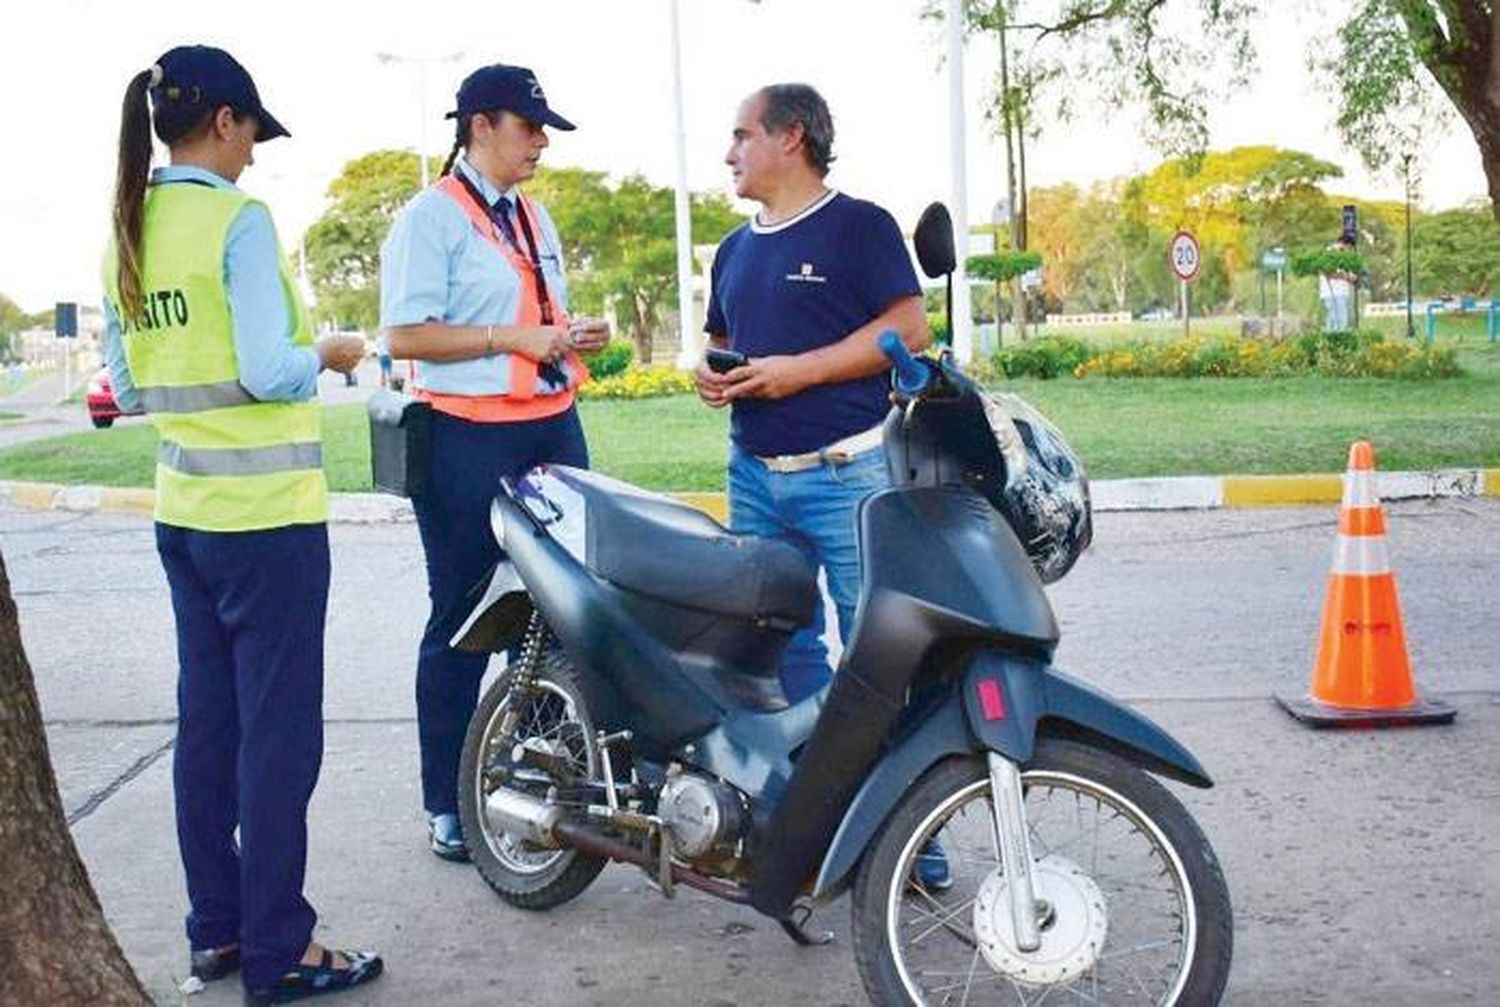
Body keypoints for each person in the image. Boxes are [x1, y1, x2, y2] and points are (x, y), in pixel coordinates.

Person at [100, 46, 383, 1004]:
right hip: (267, 525)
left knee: (208, 732)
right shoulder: (239, 222)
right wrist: (333, 352)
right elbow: (272, 367)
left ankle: (216, 932)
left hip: (184, 518)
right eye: (251, 133)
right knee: (277, 741)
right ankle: (280, 952)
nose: (256, 155)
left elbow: (132, 386)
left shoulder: (126, 228)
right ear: (222, 121)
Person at [379, 63, 609, 862]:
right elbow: (405, 337)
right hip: (466, 439)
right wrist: (513, 340)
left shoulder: (532, 215)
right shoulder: (430, 218)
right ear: (480, 126)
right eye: (530, 125)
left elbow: (535, 315)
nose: (542, 141)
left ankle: (533, 779)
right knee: (468, 615)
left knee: (556, 613)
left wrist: (571, 333)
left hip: (551, 428)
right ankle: (446, 799)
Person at [696, 82, 930, 705]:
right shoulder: (732, 250)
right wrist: (711, 376)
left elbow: (909, 326)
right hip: (752, 479)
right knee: (778, 643)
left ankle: (890, 786)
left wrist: (798, 371)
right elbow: (720, 339)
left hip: (849, 475)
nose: (729, 154)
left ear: (791, 136)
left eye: (742, 135)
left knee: (874, 641)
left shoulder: (860, 226)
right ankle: (813, 774)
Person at [1319, 236, 1355, 333]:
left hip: (1342, 293)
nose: (1349, 251)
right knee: (1337, 321)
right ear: (1344, 244)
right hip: (1333, 293)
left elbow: (1350, 275)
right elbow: (1327, 272)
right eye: (1349, 248)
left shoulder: (1344, 256)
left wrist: (1351, 277)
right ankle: (1333, 343)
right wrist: (1345, 276)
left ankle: (1335, 343)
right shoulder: (1330, 252)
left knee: (1340, 320)